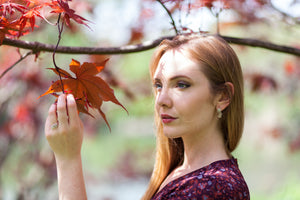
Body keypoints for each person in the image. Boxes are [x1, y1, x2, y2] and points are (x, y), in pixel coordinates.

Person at [45, 34, 250, 200]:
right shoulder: (184, 174)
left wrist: (68, 159)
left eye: (181, 84)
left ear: (223, 96)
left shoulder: (214, 187)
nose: (162, 100)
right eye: (159, 85)